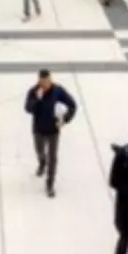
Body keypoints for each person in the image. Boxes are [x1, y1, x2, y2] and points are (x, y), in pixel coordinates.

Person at [24, 69, 77, 198]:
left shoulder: (58, 91)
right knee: (39, 150)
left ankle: (50, 184)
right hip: (38, 129)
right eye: (43, 81)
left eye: (47, 81)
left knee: (53, 158)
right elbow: (28, 108)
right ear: (39, 80)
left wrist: (65, 118)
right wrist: (37, 99)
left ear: (50, 79)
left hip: (53, 130)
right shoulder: (34, 91)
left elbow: (72, 105)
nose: (45, 83)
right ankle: (42, 162)